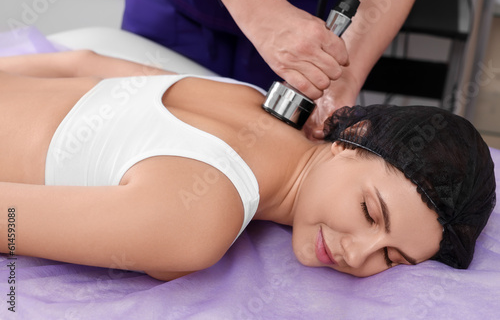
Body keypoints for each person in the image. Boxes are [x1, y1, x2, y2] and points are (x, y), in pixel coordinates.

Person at [0, 50, 495, 280]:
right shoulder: (199, 222)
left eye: (391, 259)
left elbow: (77, 61)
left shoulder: (251, 100)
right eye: (369, 212)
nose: (358, 253)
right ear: (355, 137)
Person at [122, 0, 423, 139]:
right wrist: (259, 11)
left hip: (309, 25)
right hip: (180, 5)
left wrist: (344, 75)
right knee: (142, 126)